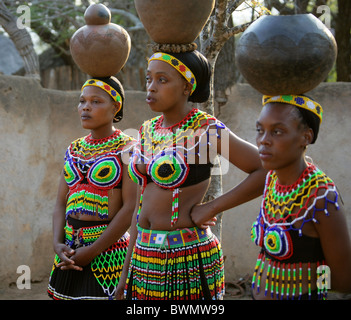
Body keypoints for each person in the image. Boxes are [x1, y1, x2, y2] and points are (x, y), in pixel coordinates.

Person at [115, 44, 267, 300]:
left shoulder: (206, 130)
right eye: (149, 78)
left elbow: (264, 171)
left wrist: (211, 207)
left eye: (162, 80)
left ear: (188, 87)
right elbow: (140, 205)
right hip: (142, 256)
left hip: (186, 258)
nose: (151, 87)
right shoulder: (146, 130)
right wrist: (124, 276)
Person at [250, 94, 351, 300]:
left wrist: (313, 287)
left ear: (306, 137)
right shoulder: (271, 179)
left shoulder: (321, 197)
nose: (263, 140)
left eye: (277, 132)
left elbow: (343, 279)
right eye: (260, 130)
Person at [47, 76, 137, 300]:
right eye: (82, 101)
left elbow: (130, 208)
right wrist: (58, 244)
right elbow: (60, 203)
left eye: (96, 101)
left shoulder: (128, 149)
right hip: (70, 249)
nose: (86, 107)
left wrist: (93, 251)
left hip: (108, 251)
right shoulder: (74, 148)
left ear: (116, 106)